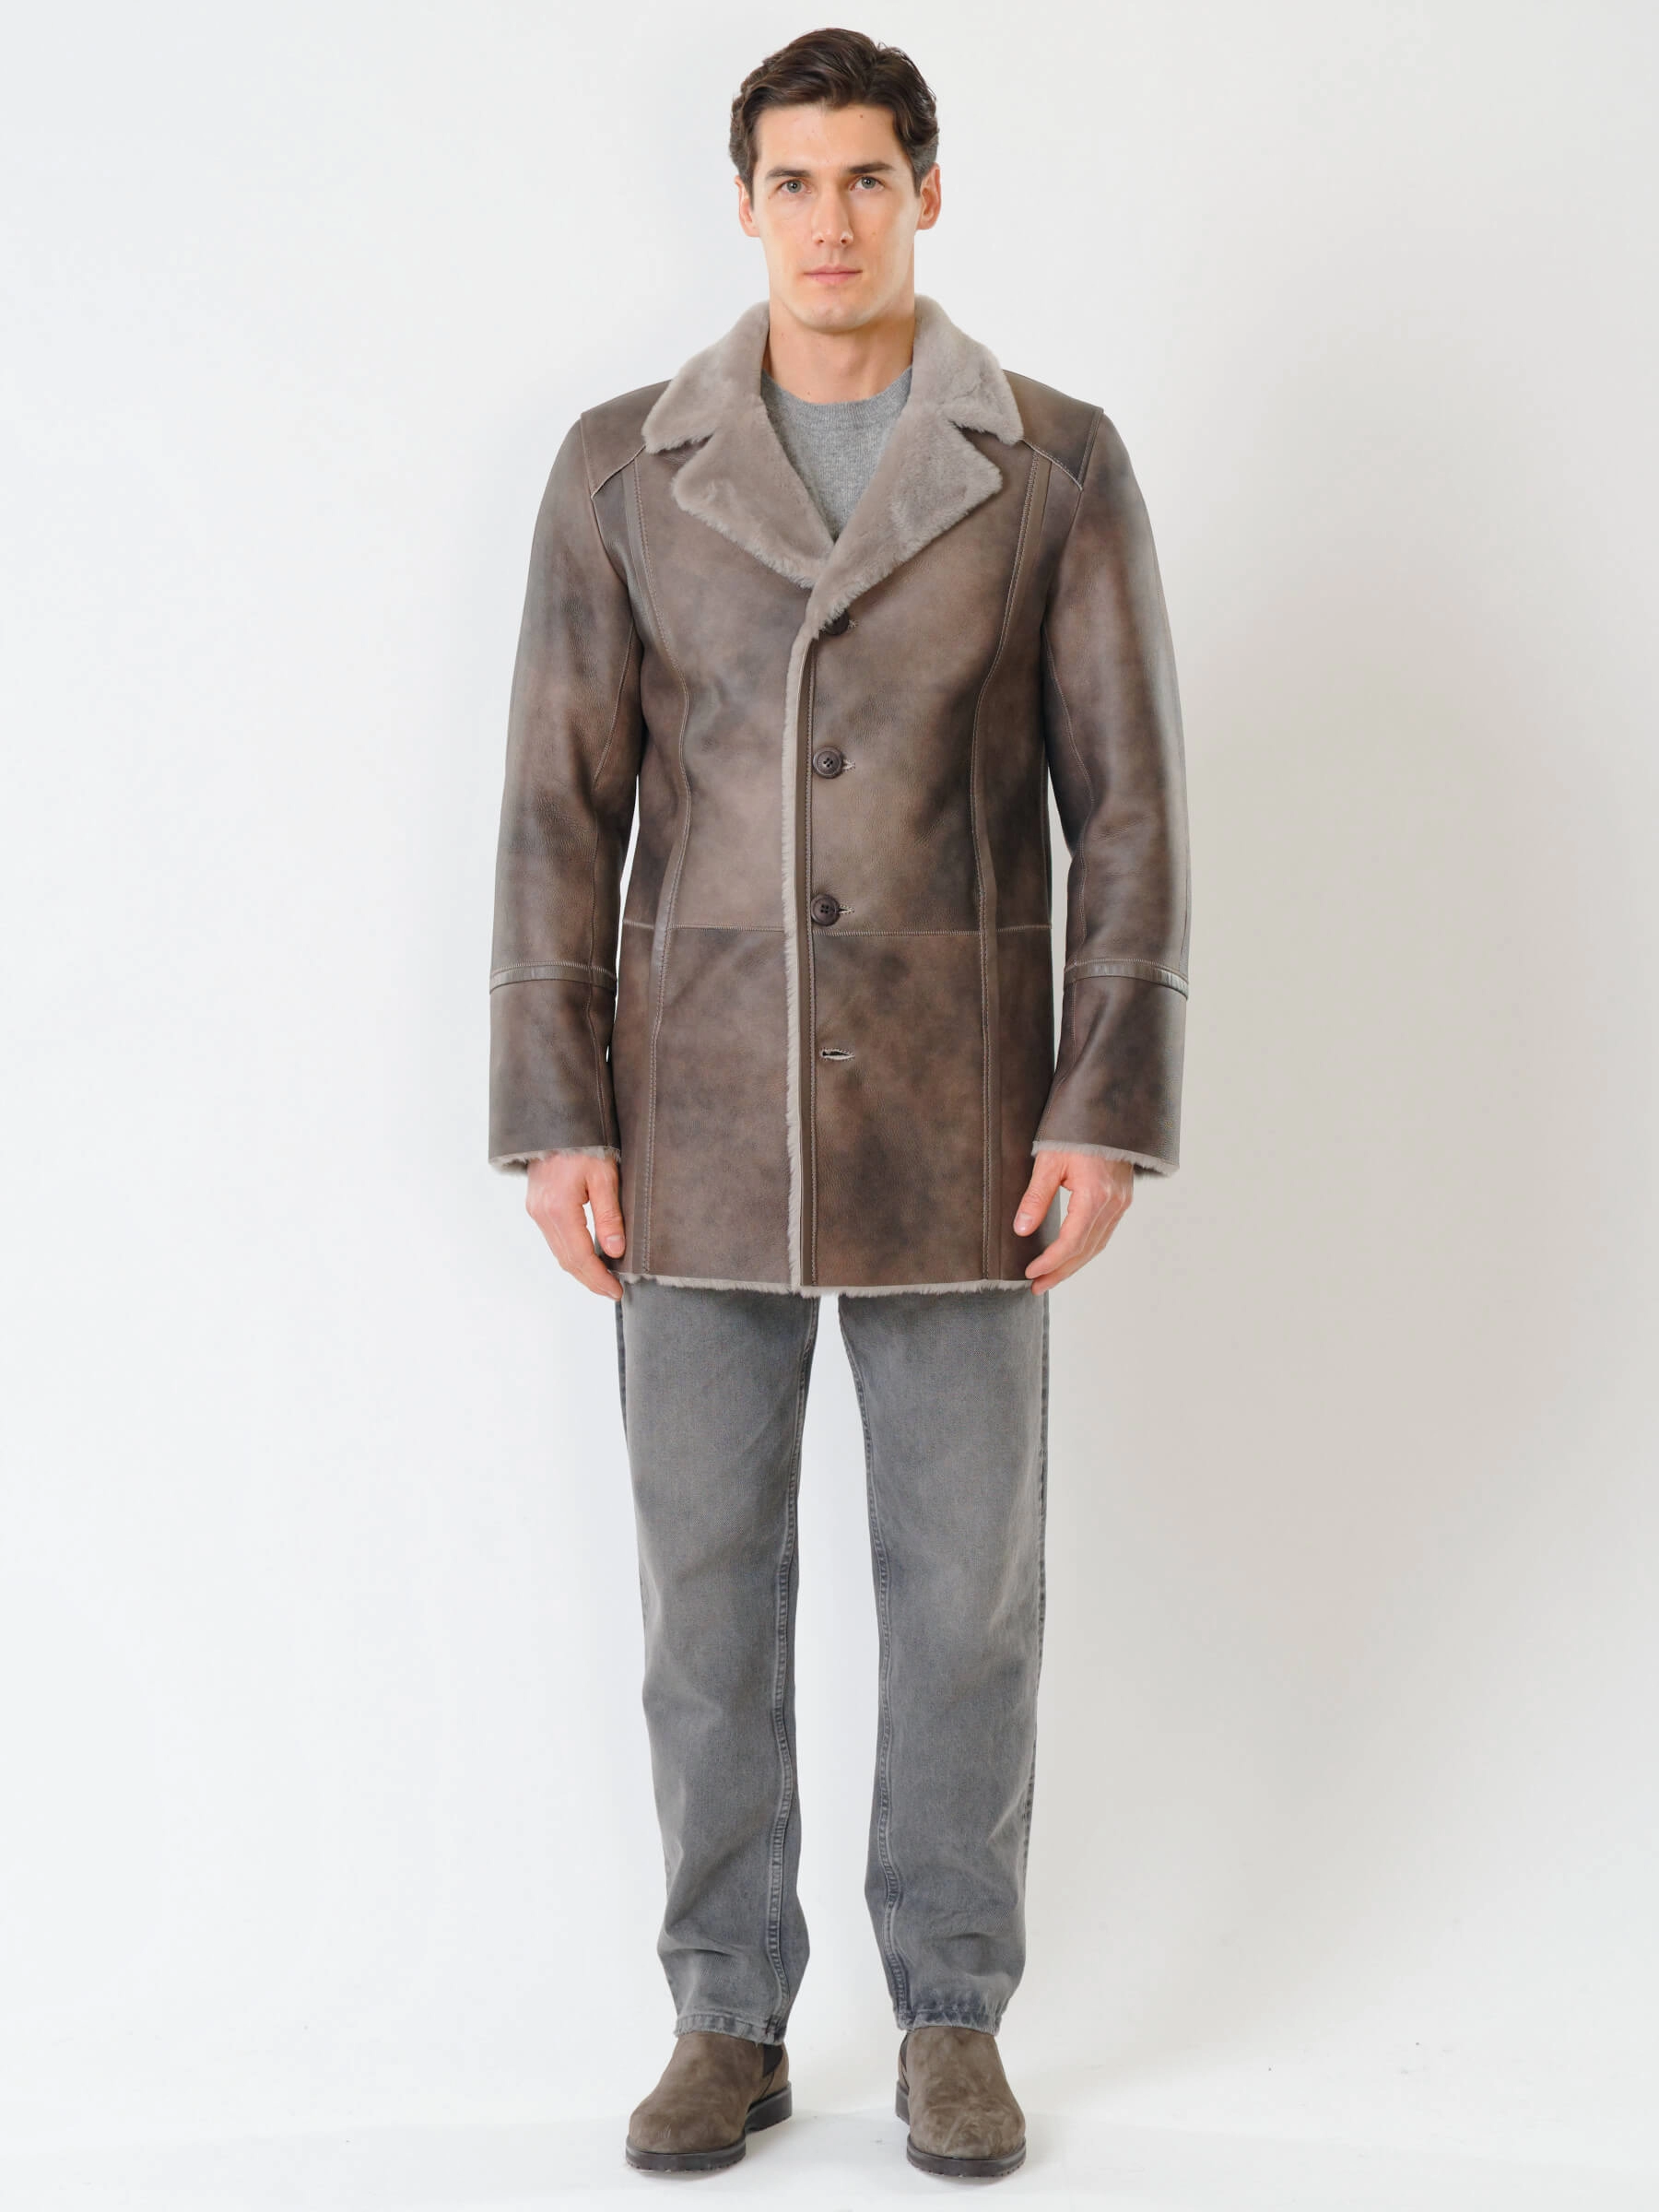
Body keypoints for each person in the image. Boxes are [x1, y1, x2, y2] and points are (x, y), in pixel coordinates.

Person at [488, 26, 1188, 2183]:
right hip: (691, 1120)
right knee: (705, 1603)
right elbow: (557, 809)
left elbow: (1129, 807)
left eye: (866, 178)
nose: (828, 221)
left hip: (965, 1132)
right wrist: (558, 1113)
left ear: (927, 195)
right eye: (791, 183)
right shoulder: (624, 469)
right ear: (743, 206)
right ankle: (728, 2016)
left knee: (965, 1597)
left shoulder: (1052, 464)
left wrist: (1101, 1107)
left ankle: (955, 2011)